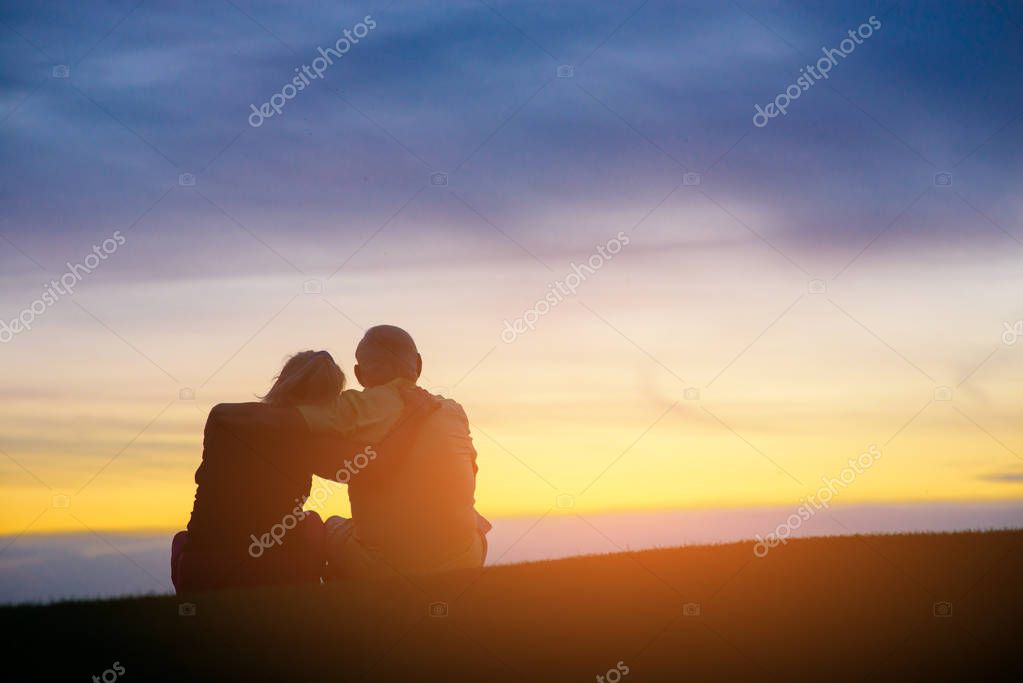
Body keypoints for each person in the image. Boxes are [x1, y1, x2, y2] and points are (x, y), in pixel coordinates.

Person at [171, 350, 437, 593]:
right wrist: (412, 419)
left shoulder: (224, 420)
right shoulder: (312, 444)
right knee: (312, 525)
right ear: (330, 401)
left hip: (203, 569)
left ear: (282, 380)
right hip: (276, 570)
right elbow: (378, 468)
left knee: (182, 540)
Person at [319, 325, 491, 580]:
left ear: (358, 373)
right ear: (418, 364)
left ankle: (351, 609)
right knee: (476, 521)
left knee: (330, 526)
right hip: (464, 560)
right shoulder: (451, 410)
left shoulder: (352, 408)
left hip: (382, 567)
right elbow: (472, 472)